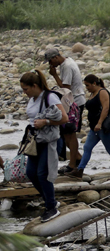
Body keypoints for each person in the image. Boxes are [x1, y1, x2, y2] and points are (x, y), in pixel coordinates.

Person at [21, 70, 69, 222]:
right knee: (31, 173)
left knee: (43, 173)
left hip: (49, 140)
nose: (24, 92)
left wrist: (46, 122)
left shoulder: (50, 97)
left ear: (34, 86)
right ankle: (51, 200)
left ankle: (51, 208)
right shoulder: (33, 98)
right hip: (35, 140)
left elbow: (64, 118)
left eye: (26, 89)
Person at [65, 75, 110, 180]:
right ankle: (79, 170)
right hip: (94, 128)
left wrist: (99, 123)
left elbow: (106, 109)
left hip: (103, 127)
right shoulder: (93, 93)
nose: (86, 87)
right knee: (87, 147)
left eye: (87, 85)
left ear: (94, 84)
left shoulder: (102, 92)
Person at [44, 48, 84, 174]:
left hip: (73, 103)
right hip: (74, 101)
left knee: (70, 135)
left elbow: (65, 88)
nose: (51, 64)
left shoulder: (66, 67)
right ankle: (78, 159)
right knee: (67, 134)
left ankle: (72, 165)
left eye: (51, 61)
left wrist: (54, 75)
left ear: (56, 57)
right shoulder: (68, 61)